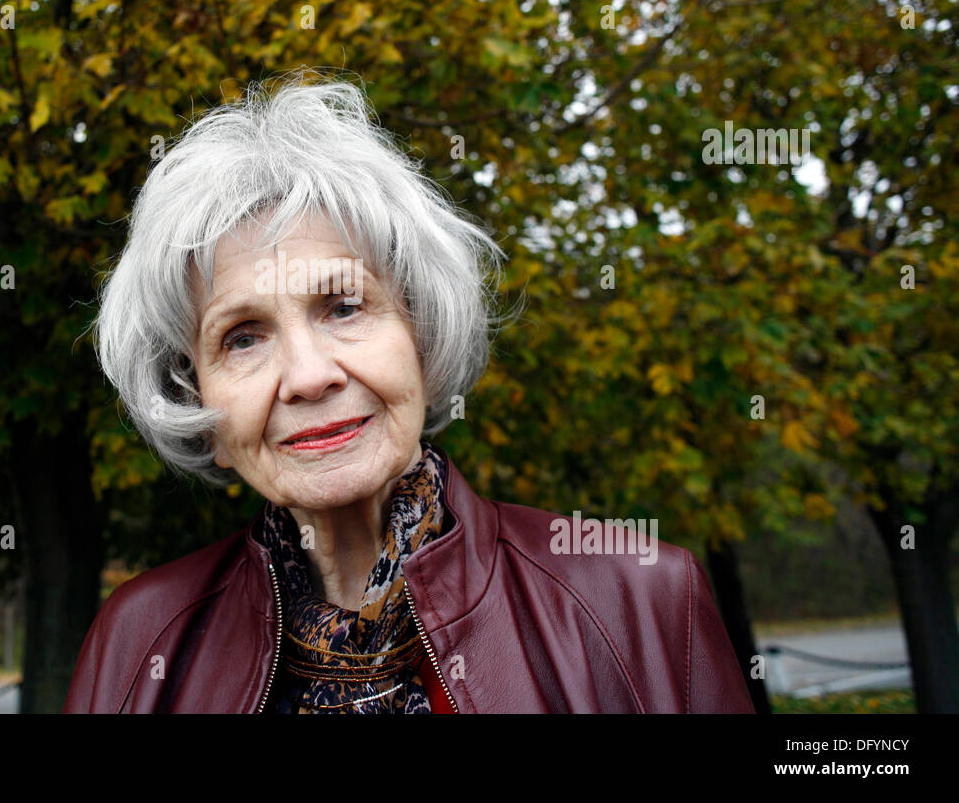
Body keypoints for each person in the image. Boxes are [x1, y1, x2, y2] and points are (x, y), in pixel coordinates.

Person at [64, 69, 754, 713]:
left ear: (420, 332)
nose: (309, 376)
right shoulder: (139, 642)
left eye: (343, 307)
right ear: (200, 400)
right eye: (243, 337)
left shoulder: (636, 599)